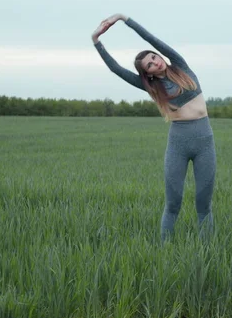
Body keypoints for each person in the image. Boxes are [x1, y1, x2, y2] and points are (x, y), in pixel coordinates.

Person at [91, 13, 216, 241]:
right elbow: (116, 69)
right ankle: (164, 250)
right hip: (178, 143)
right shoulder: (152, 88)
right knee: (173, 203)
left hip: (204, 141)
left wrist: (122, 18)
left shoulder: (181, 67)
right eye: (149, 64)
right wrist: (96, 41)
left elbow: (151, 38)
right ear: (147, 73)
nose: (155, 61)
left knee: (203, 203)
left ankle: (207, 249)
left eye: (154, 57)